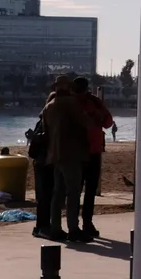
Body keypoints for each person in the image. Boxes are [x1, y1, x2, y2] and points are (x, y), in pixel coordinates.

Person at [43, 75, 93, 242]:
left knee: (58, 193)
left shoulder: (49, 106)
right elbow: (86, 122)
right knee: (73, 192)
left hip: (55, 154)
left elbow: (46, 129)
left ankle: (56, 228)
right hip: (71, 153)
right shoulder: (72, 103)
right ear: (68, 87)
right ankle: (73, 228)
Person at [73, 77, 113, 240]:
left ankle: (83, 222)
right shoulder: (81, 102)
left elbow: (108, 121)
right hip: (81, 151)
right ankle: (81, 223)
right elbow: (108, 121)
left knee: (83, 189)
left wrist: (96, 116)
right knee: (80, 190)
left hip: (87, 151)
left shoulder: (92, 102)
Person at [26, 109, 53, 239]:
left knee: (44, 196)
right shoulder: (45, 124)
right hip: (43, 162)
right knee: (44, 196)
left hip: (41, 162)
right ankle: (42, 226)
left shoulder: (43, 122)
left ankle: (42, 226)